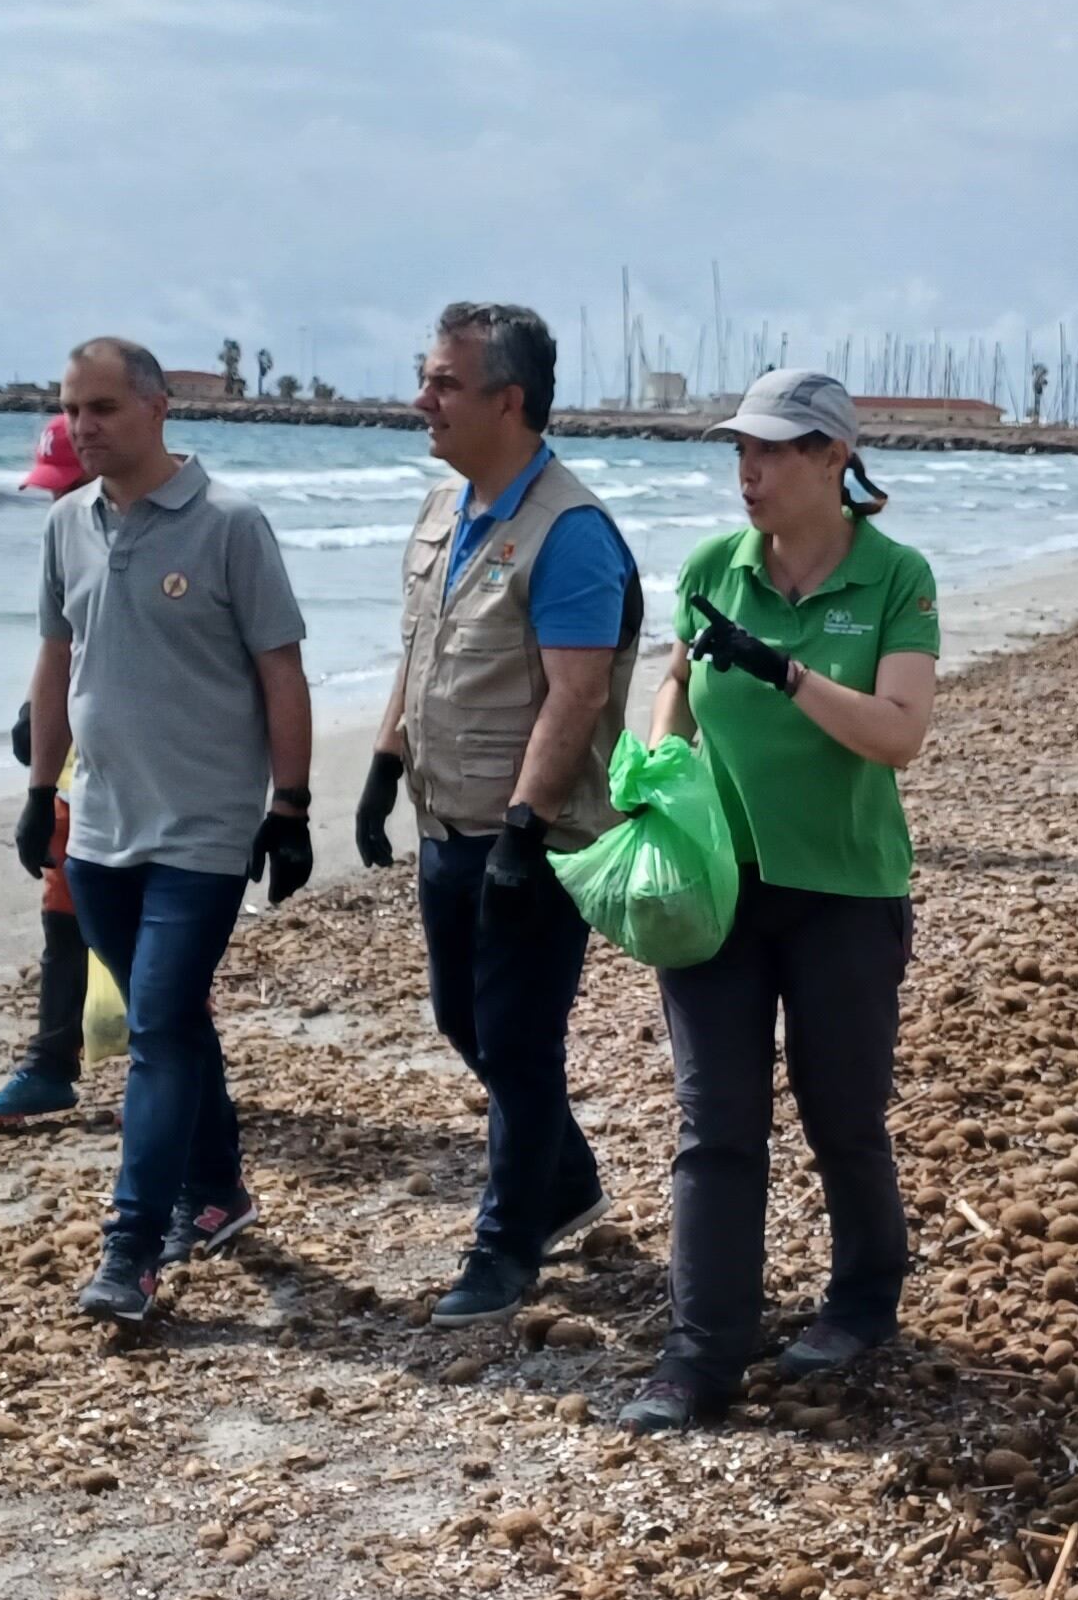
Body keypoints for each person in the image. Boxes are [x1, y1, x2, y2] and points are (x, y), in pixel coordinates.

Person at [618, 370, 939, 1434]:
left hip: (846, 889)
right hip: (721, 886)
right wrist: (666, 757)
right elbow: (674, 678)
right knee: (717, 1122)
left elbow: (899, 732)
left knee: (841, 1113)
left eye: (773, 449)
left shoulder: (897, 576)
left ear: (834, 459)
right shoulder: (716, 564)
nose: (747, 470)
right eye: (739, 450)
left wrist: (785, 672)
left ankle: (863, 1295)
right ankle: (700, 1354)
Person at [357, 302, 642, 1326]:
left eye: (443, 382)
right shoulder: (443, 509)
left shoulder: (569, 533)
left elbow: (573, 695)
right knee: (462, 1019)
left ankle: (506, 1241)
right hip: (447, 821)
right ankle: (563, 1177)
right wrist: (386, 763)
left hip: (531, 838)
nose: (421, 400)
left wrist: (526, 829)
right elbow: (422, 649)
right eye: (425, 377)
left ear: (507, 399)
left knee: (519, 1041)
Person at [22, 339, 314, 1323]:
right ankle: (220, 1189)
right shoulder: (68, 524)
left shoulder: (230, 523)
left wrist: (292, 805)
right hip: (100, 826)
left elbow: (282, 669)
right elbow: (57, 661)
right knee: (174, 1019)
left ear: (156, 409)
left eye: (102, 406)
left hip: (203, 829)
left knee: (154, 1027)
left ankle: (134, 1245)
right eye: (72, 409)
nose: (84, 426)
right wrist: (38, 791)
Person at [0, 416, 95, 1124]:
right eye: (51, 490)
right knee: (63, 918)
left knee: (148, 927)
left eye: (67, 486)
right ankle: (51, 1064)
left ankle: (174, 1065)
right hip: (78, 785)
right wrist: (37, 780)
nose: (57, 502)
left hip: (146, 782)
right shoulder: (67, 542)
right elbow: (58, 647)